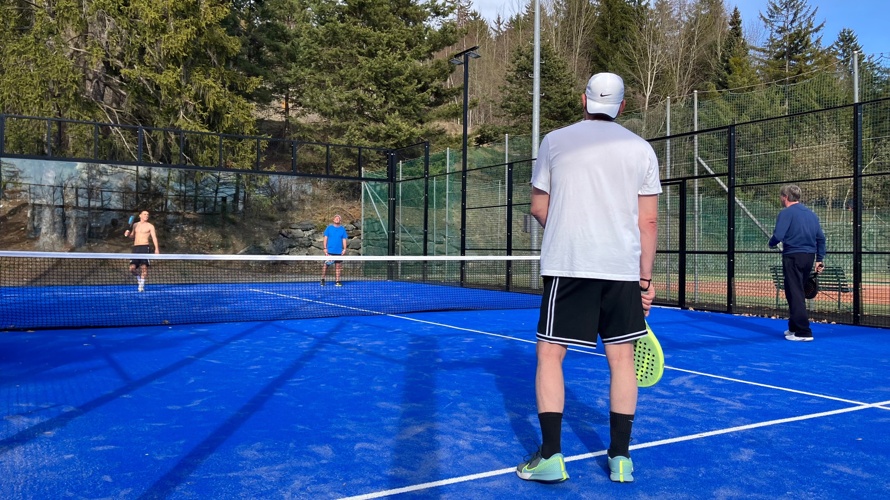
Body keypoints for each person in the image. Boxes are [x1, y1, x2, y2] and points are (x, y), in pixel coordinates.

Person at [516, 72, 661, 484]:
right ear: (623, 105)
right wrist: (645, 281)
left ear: (583, 100)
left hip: (570, 265)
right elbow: (647, 220)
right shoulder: (642, 150)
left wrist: (570, 226)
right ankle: (620, 460)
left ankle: (550, 457)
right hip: (621, 271)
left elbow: (539, 207)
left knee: (549, 355)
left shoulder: (554, 141)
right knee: (623, 361)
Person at [768, 185, 826, 342]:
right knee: (794, 291)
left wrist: (771, 243)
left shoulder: (786, 213)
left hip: (793, 256)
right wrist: (820, 259)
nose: (780, 198)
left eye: (781, 196)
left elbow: (778, 235)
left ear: (785, 197)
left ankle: (803, 332)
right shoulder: (812, 214)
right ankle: (794, 327)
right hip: (809, 257)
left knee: (795, 293)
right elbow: (821, 238)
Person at [124, 210, 160, 292]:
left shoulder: (150, 226)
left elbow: (154, 238)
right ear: (140, 215)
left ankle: (141, 285)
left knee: (144, 268)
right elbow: (132, 236)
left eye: (148, 214)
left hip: (145, 247)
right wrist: (128, 234)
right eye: (145, 214)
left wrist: (156, 249)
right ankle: (139, 279)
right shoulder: (135, 225)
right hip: (136, 248)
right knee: (132, 269)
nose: (146, 215)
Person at [321, 214, 348, 287]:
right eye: (335, 218)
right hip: (329, 251)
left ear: (340, 220)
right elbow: (325, 238)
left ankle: (337, 281)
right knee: (325, 266)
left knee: (338, 266)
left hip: (338, 252)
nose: (337, 219)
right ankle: (322, 279)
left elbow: (344, 239)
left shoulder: (342, 229)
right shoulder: (329, 228)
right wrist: (325, 248)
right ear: (333, 220)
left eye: (338, 218)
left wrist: (344, 249)